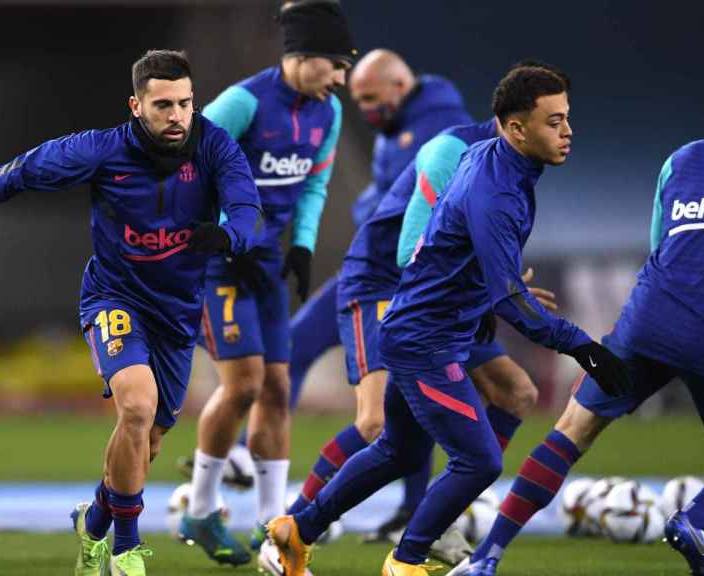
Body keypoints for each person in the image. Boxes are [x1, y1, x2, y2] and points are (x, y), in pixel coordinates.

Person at [449, 60, 704, 576]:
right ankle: (694, 520)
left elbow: (658, 246)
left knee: (571, 430)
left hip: (645, 318)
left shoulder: (679, 160)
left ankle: (486, 559)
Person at [265, 63, 632, 576]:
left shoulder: (496, 163)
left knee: (396, 449)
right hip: (424, 342)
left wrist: (485, 295)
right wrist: (584, 348)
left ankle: (297, 529)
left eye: (567, 118)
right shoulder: (496, 189)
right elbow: (505, 295)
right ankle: (406, 559)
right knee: (478, 460)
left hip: (427, 331)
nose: (568, 131)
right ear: (515, 128)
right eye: (554, 121)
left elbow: (454, 256)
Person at [0, 50, 263, 576]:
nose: (178, 116)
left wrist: (229, 234)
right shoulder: (102, 151)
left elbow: (247, 207)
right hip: (115, 298)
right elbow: (28, 169)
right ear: (136, 106)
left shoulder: (215, 145)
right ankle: (127, 551)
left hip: (176, 317)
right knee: (136, 408)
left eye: (186, 103)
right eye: (164, 105)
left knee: (145, 443)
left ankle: (97, 524)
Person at [177, 0, 355, 566]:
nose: (343, 77)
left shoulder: (328, 113)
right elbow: (185, 166)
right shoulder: (242, 103)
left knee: (278, 389)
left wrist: (301, 244)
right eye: (337, 63)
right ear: (303, 57)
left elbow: (314, 186)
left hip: (269, 265)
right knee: (246, 385)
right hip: (220, 265)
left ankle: (270, 523)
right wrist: (225, 235)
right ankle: (201, 509)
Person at [286, 49, 475, 541]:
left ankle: (424, 508)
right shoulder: (397, 132)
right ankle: (295, 512)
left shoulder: (437, 118)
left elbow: (432, 196)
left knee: (510, 390)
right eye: (359, 100)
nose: (365, 109)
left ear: (399, 85)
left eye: (371, 98)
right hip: (387, 279)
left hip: (409, 281)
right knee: (378, 417)